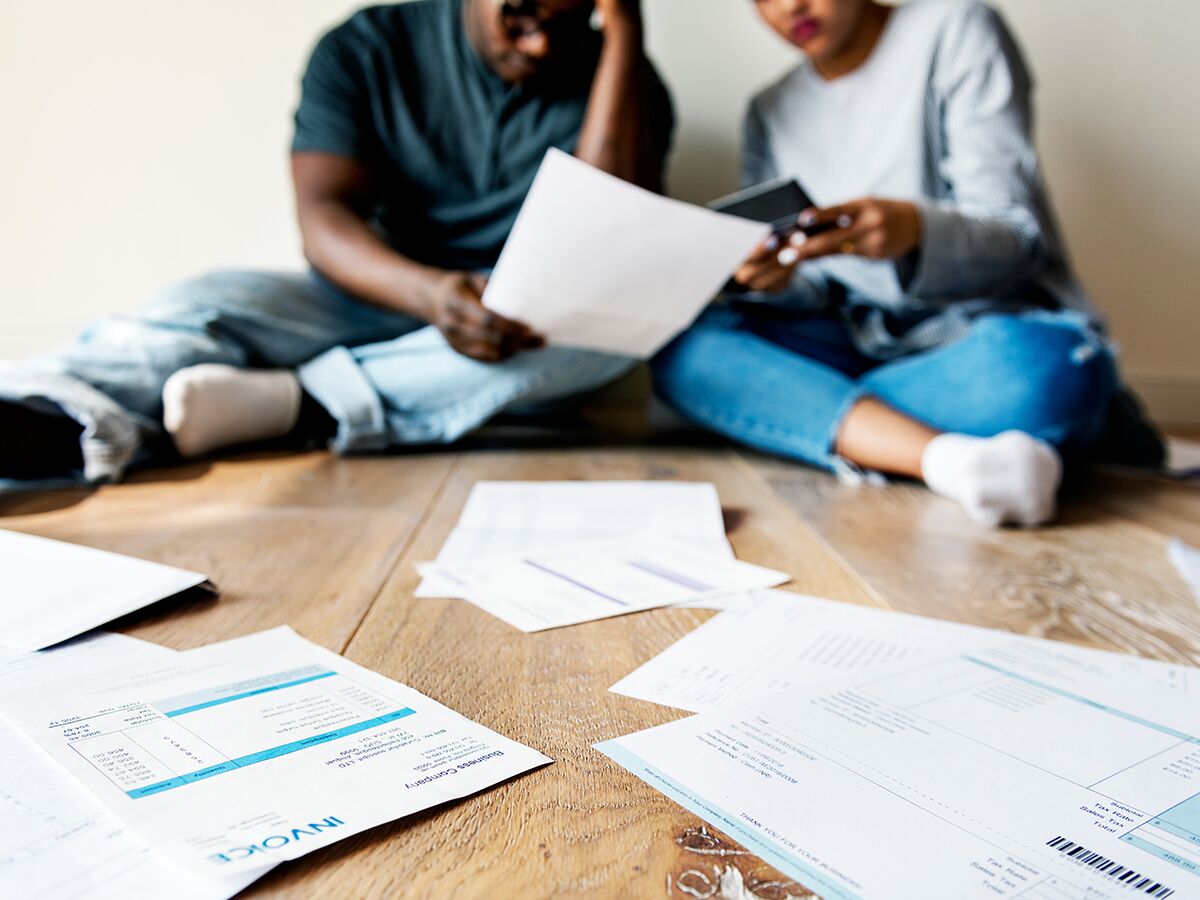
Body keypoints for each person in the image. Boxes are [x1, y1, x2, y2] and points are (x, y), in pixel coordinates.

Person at [0, 0, 672, 487]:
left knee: (614, 332)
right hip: (375, 292)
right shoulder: (365, 46)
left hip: (518, 329)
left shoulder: (628, 86)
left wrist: (626, 30)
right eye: (522, 16)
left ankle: (299, 405)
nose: (540, 47)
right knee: (204, 298)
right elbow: (323, 220)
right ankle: (41, 411)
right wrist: (432, 293)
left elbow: (606, 231)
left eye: (570, 19)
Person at [652, 0, 1160, 527]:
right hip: (852, 340)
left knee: (1050, 366)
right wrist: (776, 282)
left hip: (969, 342)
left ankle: (820, 419)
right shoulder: (770, 109)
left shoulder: (956, 29)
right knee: (684, 347)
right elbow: (814, 286)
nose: (789, 6)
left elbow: (1018, 238)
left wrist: (916, 230)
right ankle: (950, 460)